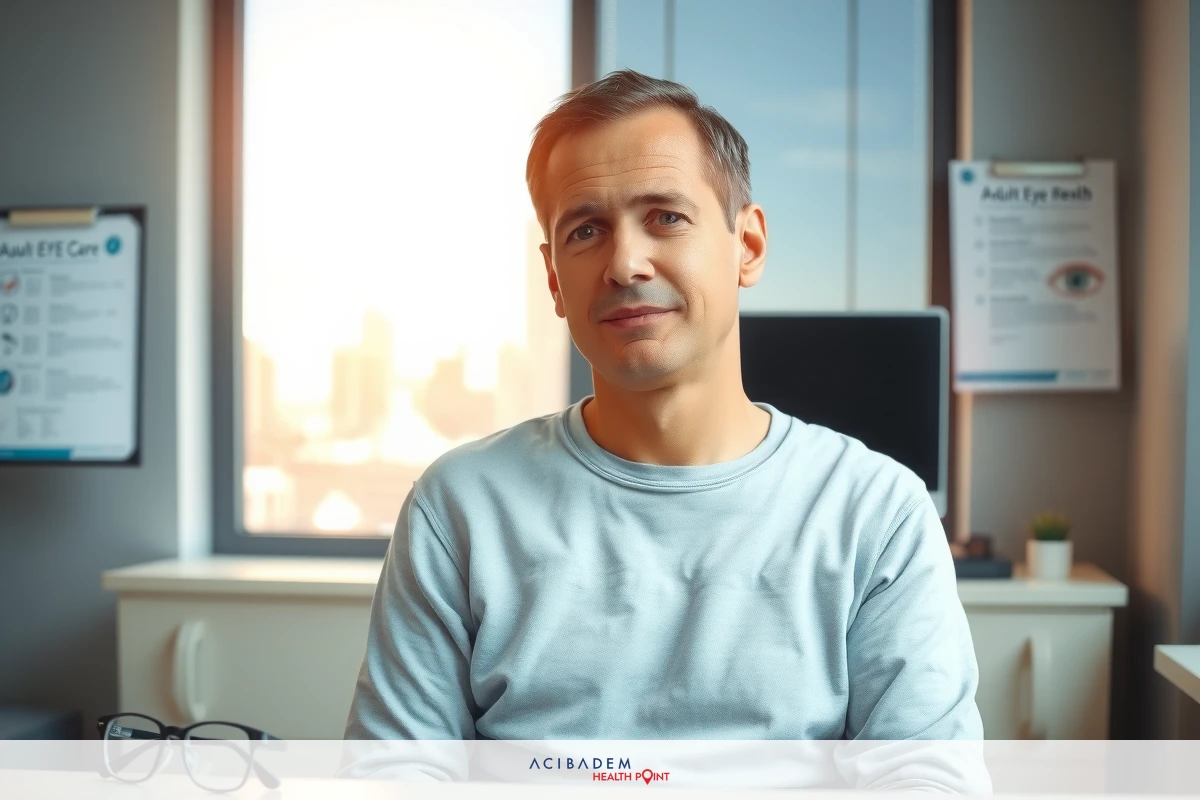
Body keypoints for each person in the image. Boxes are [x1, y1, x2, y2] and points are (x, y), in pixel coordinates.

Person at [345, 69, 983, 769]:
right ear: (555, 279)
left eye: (665, 217)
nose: (624, 262)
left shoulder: (874, 512)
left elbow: (928, 781)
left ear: (749, 246)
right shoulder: (461, 507)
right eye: (585, 231)